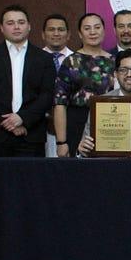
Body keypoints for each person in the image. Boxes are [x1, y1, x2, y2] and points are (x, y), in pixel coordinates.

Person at [0, 4, 56, 157]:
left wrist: (23, 118)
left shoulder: (44, 58)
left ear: (29, 26)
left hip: (31, 135)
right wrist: (10, 123)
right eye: (10, 23)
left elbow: (47, 95)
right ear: (2, 28)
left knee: (30, 181)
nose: (16, 27)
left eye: (21, 22)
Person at [52, 12, 115, 157]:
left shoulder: (114, 61)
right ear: (80, 34)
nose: (92, 32)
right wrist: (61, 142)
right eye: (87, 28)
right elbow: (59, 103)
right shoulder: (71, 61)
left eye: (97, 27)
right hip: (76, 122)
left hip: (108, 122)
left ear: (104, 31)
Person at [41, 13, 73, 157]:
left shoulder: (77, 61)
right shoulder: (33, 59)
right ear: (43, 34)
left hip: (70, 128)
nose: (56, 33)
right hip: (39, 128)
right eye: (51, 29)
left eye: (61, 30)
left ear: (68, 34)